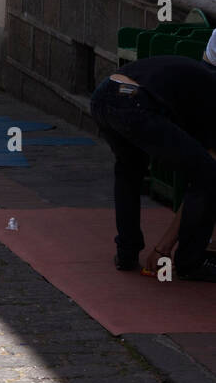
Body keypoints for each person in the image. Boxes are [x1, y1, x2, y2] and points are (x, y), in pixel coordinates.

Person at [89, 29, 216, 281]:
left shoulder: (202, 82)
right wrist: (163, 247)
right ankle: (190, 262)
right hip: (135, 103)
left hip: (105, 93)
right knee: (208, 177)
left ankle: (126, 252)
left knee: (129, 171)